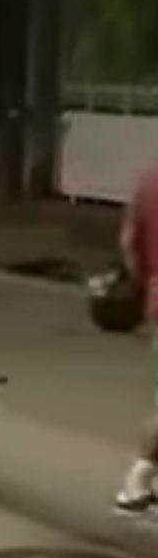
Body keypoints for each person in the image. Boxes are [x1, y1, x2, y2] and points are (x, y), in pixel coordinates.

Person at [113, 163, 158, 516]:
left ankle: (139, 481)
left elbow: (130, 243)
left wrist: (147, 283)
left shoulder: (150, 179)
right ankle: (137, 480)